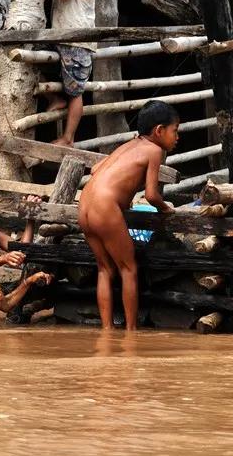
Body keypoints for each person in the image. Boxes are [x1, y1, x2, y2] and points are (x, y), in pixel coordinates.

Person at [78, 100, 180, 330]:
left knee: (105, 269)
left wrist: (123, 191)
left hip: (85, 203)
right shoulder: (154, 150)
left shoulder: (129, 144)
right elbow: (152, 195)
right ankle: (131, 333)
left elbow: (96, 169)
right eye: (175, 131)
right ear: (159, 131)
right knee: (129, 268)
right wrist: (166, 209)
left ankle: (106, 330)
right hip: (104, 206)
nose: (177, 137)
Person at [43, 0, 97, 147]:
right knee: (33, 61)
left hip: (77, 42)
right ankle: (54, 98)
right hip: (59, 39)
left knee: (75, 92)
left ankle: (68, 138)